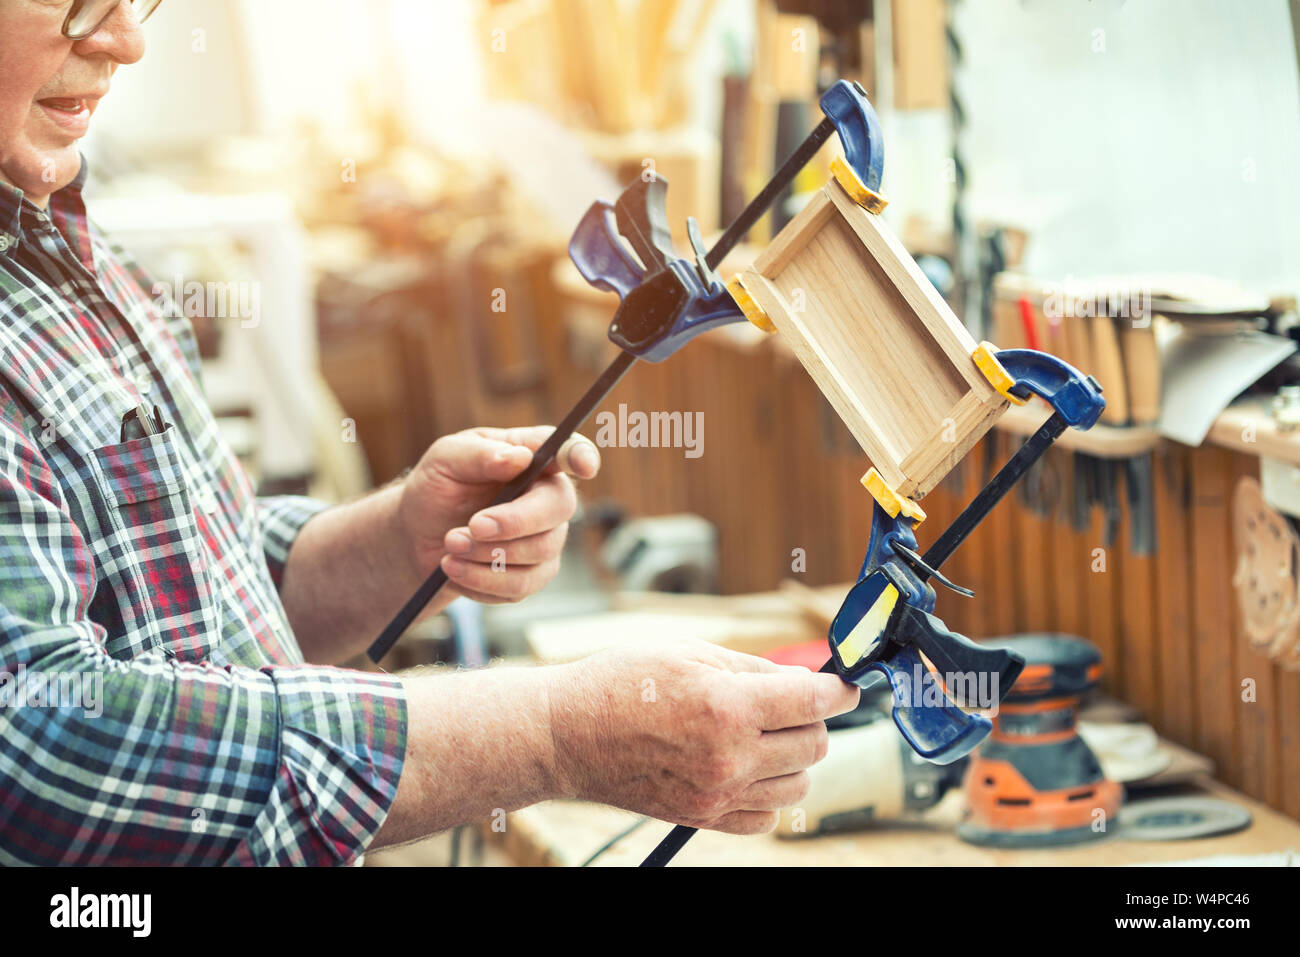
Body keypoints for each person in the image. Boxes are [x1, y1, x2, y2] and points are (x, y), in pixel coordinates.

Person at [0, 0, 857, 865]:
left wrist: (392, 545)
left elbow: (170, 593)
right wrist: (553, 734)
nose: (127, 39)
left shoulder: (62, 230)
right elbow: (46, 738)